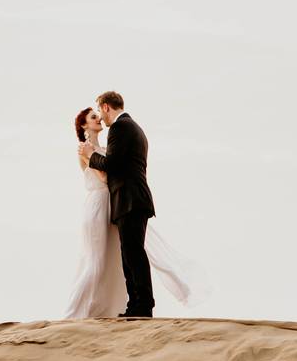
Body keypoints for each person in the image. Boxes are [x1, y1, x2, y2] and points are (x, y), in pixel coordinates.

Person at [66, 91, 209, 319]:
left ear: (105, 107)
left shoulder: (121, 128)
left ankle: (142, 306)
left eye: (99, 113)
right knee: (127, 254)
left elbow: (112, 167)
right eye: (93, 118)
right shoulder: (131, 127)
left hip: (129, 199)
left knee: (133, 254)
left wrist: (92, 154)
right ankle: (136, 305)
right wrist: (91, 153)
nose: (101, 120)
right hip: (123, 201)